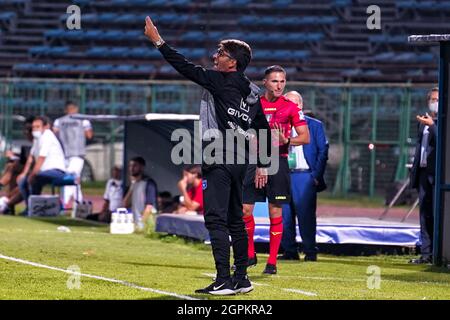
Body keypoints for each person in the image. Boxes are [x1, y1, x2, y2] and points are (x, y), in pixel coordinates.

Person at [144, 17, 272, 295]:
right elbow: (263, 128)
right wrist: (263, 163)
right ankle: (241, 278)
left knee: (215, 218)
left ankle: (223, 279)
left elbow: (184, 67)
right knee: (236, 219)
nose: (216, 56)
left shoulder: (219, 80)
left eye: (222, 54)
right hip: (241, 159)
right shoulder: (252, 92)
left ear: (232, 63)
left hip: (219, 153)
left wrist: (158, 41)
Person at [242, 66, 310, 275]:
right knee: (245, 210)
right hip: (253, 162)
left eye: (282, 81)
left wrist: (287, 139)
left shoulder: (290, 107)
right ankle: (250, 254)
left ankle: (272, 262)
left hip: (278, 162)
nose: (279, 85)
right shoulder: (253, 105)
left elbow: (305, 137)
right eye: (274, 81)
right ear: (265, 82)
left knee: (275, 211)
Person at [279, 91, 329, 262]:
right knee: (284, 216)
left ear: (300, 105)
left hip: (304, 176)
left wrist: (315, 175)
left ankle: (310, 251)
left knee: (306, 216)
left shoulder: (314, 125)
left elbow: (323, 151)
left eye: (293, 103)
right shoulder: (277, 125)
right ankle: (289, 250)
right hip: (284, 175)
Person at [409, 87, 439, 264]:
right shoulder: (422, 122)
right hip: (422, 173)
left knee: (437, 214)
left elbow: (442, 140)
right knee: (424, 214)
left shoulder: (441, 122)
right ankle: (426, 253)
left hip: (436, 174)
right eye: (432, 99)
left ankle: (438, 253)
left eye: (437, 99)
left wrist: (433, 126)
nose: (434, 102)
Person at [18, 116, 66, 215]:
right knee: (22, 181)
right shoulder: (37, 138)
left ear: (45, 127)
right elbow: (31, 157)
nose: (34, 129)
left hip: (56, 171)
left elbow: (41, 157)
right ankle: (31, 207)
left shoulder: (47, 136)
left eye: (37, 126)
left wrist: (33, 173)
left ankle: (36, 208)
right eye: (33, 127)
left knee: (34, 178)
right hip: (44, 171)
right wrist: (23, 173)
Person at [53, 101, 93, 208]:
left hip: (64, 154)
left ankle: (74, 203)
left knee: (70, 178)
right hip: (77, 153)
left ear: (66, 110)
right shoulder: (83, 121)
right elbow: (89, 135)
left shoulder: (58, 121)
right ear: (76, 109)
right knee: (72, 178)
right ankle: (68, 204)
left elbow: (55, 134)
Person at [0, 116, 35, 214]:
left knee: (16, 170)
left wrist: (24, 172)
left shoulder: (44, 140)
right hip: (32, 169)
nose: (25, 132)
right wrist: (14, 156)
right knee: (12, 167)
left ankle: (7, 201)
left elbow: (35, 160)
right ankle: (8, 203)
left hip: (41, 170)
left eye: (27, 130)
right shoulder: (34, 143)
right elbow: (28, 158)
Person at [123, 156, 157, 231]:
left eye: (135, 165)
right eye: (130, 166)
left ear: (142, 167)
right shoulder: (133, 184)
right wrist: (132, 186)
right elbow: (125, 204)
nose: (131, 168)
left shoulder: (149, 183)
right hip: (135, 223)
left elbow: (149, 207)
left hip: (145, 224)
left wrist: (141, 224)